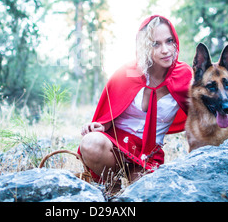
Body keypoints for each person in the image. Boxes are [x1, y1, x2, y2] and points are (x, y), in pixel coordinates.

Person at [78, 14, 192, 183]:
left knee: (143, 191)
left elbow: (202, 113)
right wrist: (98, 126)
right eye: (156, 44)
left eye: (169, 41)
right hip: (115, 146)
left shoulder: (184, 75)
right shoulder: (126, 73)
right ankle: (112, 189)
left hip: (149, 153)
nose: (166, 50)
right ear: (145, 46)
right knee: (90, 143)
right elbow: (108, 118)